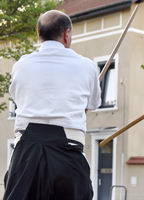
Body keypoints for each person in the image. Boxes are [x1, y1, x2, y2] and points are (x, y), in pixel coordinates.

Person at [4, 10, 101, 200]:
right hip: (67, 154)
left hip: (26, 155)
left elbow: (18, 98)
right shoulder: (87, 66)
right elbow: (93, 104)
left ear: (38, 34)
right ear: (67, 34)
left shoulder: (21, 65)